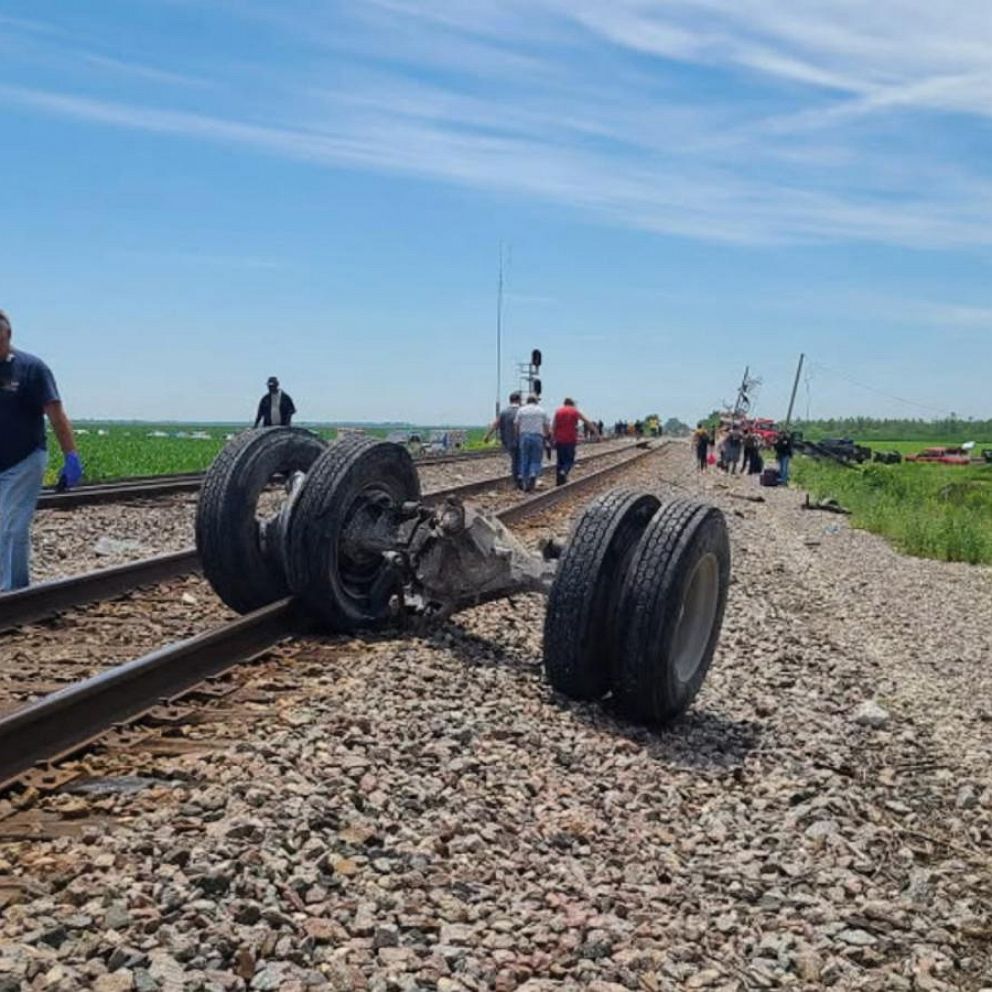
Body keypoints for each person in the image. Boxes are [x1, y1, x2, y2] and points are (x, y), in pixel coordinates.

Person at [0, 309, 83, 591]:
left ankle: (14, 595)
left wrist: (71, 456)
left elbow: (56, 414)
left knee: (13, 527)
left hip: (25, 459)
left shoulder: (32, 369)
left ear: (7, 335)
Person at [551, 397, 598, 486]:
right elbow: (587, 422)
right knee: (569, 460)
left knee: (560, 460)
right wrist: (596, 432)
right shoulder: (575, 411)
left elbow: (553, 426)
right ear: (572, 404)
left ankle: (559, 481)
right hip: (570, 439)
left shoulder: (558, 412)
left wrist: (552, 439)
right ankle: (564, 472)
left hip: (559, 439)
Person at [484, 391, 522, 488]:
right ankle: (520, 477)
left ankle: (516, 480)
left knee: (514, 460)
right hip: (522, 440)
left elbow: (496, 424)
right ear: (519, 400)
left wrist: (487, 436)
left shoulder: (504, 412)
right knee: (521, 459)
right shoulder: (522, 411)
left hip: (509, 441)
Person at [514, 394, 550, 492]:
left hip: (524, 436)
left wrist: (517, 436)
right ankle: (533, 473)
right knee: (536, 459)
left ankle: (525, 482)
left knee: (524, 458)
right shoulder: (541, 411)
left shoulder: (521, 410)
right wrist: (547, 436)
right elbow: (546, 425)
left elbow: (516, 424)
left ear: (527, 401)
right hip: (537, 436)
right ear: (536, 401)